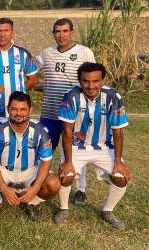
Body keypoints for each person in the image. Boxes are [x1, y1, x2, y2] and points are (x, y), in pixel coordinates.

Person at [54, 62, 131, 229]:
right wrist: (67, 162)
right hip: (76, 146)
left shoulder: (113, 97)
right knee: (65, 175)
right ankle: (64, 208)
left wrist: (118, 161)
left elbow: (118, 132)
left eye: (96, 81)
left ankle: (108, 211)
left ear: (103, 80)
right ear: (80, 81)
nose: (90, 86)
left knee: (121, 177)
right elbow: (67, 132)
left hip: (104, 147)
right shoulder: (71, 96)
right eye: (86, 81)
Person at [38, 18, 95, 205]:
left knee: (76, 151)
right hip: (50, 112)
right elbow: (30, 70)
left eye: (65, 31)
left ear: (72, 32)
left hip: (75, 115)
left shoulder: (84, 52)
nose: (61, 35)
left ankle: (81, 189)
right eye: (57, 31)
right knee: (45, 149)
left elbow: (93, 79)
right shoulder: (46, 53)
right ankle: (42, 181)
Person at [0, 91, 60, 221]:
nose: (18, 113)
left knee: (53, 184)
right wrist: (4, 188)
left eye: (23, 109)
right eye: (14, 109)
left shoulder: (40, 130)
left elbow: (46, 161)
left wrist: (36, 187)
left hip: (30, 169)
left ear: (30, 110)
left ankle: (32, 203)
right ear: (8, 110)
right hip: (4, 169)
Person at [0, 17, 39, 132]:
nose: (2, 34)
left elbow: (33, 79)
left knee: (18, 144)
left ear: (12, 33)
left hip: (19, 111)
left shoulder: (23, 54)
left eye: (6, 30)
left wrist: (19, 91)